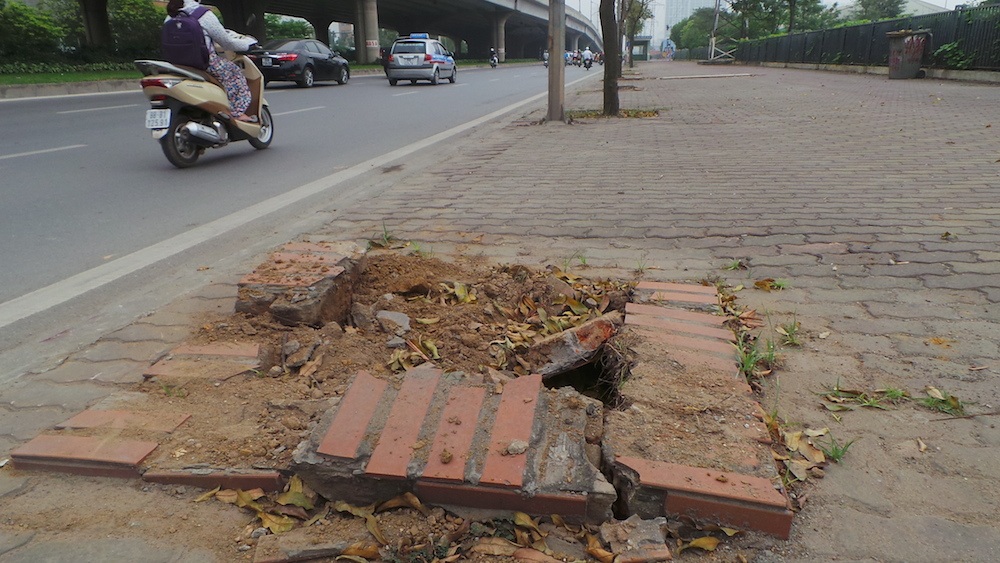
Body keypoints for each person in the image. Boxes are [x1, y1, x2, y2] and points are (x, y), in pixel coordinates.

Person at [165, 0, 257, 122]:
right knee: (235, 73)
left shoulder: (170, 16)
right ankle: (237, 113)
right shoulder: (203, 14)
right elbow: (227, 42)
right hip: (204, 63)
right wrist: (248, 44)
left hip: (176, 64)